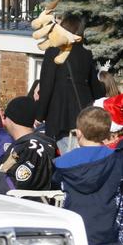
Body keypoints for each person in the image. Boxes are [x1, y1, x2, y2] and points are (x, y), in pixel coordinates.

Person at [52, 106, 123, 245]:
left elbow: (56, 184)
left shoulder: (63, 164)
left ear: (78, 133)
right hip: (108, 239)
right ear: (107, 133)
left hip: (74, 236)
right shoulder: (119, 161)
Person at [35, 14, 105, 149]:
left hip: (60, 116)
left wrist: (39, 115)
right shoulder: (86, 54)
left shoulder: (54, 51)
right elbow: (95, 88)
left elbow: (47, 86)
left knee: (68, 159)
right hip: (82, 115)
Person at [0, 95, 57, 194]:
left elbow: (13, 185)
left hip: (23, 207)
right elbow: (0, 169)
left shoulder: (31, 149)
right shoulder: (21, 145)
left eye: (5, 116)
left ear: (10, 119)